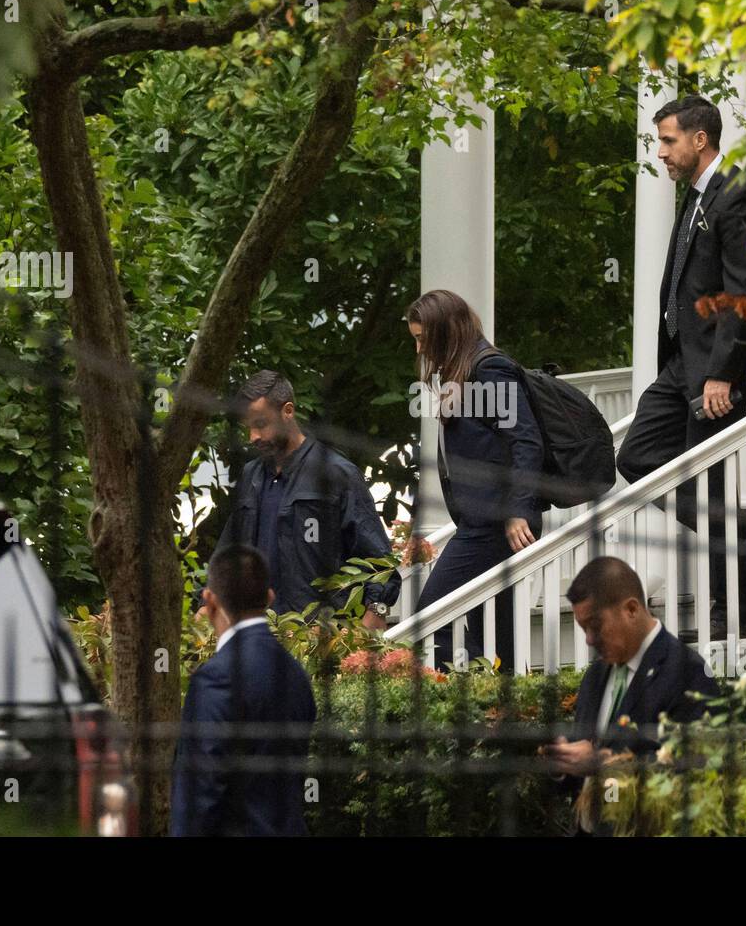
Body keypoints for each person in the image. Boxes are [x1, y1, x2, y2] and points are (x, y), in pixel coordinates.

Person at [615, 94, 746, 639]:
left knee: (710, 493)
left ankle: (733, 614)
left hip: (716, 372)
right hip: (681, 366)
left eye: (667, 140)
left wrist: (724, 373)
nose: (660, 152)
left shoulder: (741, 201)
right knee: (638, 457)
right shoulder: (695, 198)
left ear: (699, 140)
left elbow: (745, 296)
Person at [407, 289, 545, 672]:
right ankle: (500, 713)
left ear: (444, 331)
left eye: (422, 338)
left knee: (431, 619)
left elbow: (525, 440)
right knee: (496, 637)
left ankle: (448, 699)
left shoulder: (489, 368)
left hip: (498, 524)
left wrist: (519, 511)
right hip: (482, 522)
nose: (420, 350)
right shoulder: (463, 371)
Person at [543, 556, 717, 834]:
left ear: (632, 609)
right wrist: (563, 766)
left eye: (595, 625)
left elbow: (695, 776)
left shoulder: (689, 673)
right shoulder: (595, 676)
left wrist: (604, 763)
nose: (589, 639)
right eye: (583, 628)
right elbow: (582, 776)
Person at [214, 370, 400, 626]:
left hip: (322, 640)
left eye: (260, 424)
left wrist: (367, 627)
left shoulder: (336, 474)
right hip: (258, 637)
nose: (253, 437)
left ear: (287, 411)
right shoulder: (251, 477)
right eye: (249, 428)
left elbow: (380, 565)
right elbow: (227, 557)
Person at [171, 543, 316, 836]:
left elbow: (200, 795)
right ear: (270, 597)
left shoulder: (215, 679)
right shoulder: (295, 673)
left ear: (209, 601)